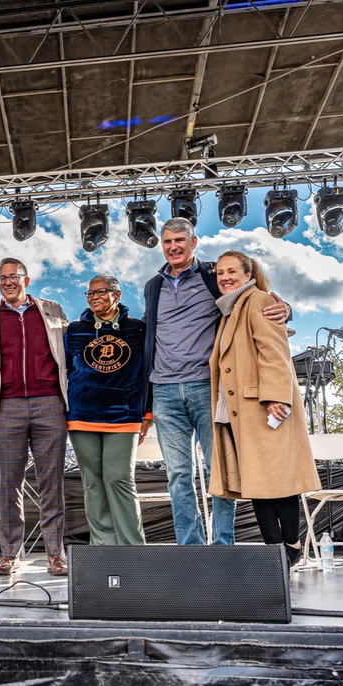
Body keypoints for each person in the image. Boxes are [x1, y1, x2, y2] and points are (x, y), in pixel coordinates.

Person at [143, 217, 290, 546]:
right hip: (164, 391)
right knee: (178, 475)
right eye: (167, 242)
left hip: (207, 388)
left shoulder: (214, 275)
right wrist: (145, 403)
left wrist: (285, 308)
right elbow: (150, 332)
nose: (173, 247)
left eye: (180, 240)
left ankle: (223, 546)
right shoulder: (153, 285)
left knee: (219, 471)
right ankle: (190, 549)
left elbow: (253, 299)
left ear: (193, 243)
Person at [208, 251, 319, 567]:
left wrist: (276, 397)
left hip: (263, 405)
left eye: (231, 271)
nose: (225, 277)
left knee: (279, 482)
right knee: (259, 484)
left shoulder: (256, 301)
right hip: (238, 408)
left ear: (247, 274)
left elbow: (275, 352)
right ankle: (276, 552)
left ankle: (291, 546)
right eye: (219, 273)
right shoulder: (231, 309)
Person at [0, 258, 69, 576]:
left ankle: (55, 555)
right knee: (8, 485)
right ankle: (10, 554)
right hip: (8, 408)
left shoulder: (51, 310)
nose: (7, 281)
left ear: (26, 280)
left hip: (50, 404)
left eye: (13, 276)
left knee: (51, 484)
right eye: (1, 277)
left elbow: (68, 352)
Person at [65, 275, 150, 545]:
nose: (95, 298)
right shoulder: (75, 329)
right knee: (93, 483)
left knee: (119, 480)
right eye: (90, 294)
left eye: (101, 292)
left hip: (123, 417)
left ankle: (132, 548)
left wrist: (147, 413)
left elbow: (146, 372)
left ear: (117, 294)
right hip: (82, 417)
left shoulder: (137, 328)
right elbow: (66, 369)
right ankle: (103, 546)